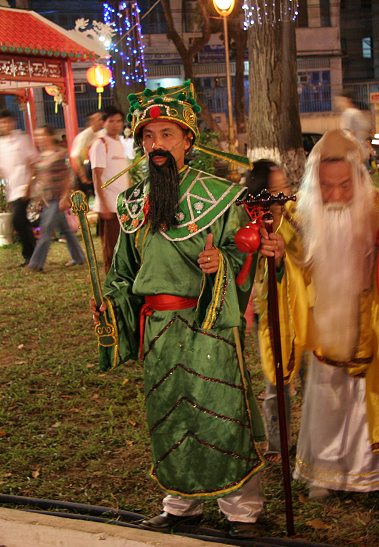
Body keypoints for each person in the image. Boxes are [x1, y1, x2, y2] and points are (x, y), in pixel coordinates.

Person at [90, 81, 263, 539]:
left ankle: (241, 511)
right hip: (160, 330)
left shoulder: (222, 196)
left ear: (189, 140)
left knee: (219, 412)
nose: (157, 145)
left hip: (207, 322)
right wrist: (111, 304)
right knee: (169, 416)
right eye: (148, 136)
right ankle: (180, 506)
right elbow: (123, 272)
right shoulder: (131, 203)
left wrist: (220, 261)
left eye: (167, 134)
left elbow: (244, 252)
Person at [258, 130, 379, 498]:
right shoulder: (297, 214)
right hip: (324, 324)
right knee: (328, 393)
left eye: (345, 186)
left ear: (360, 180)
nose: (335, 196)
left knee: (370, 396)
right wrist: (275, 253)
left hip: (370, 323)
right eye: (326, 186)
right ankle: (326, 471)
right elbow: (285, 260)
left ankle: (376, 474)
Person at [243, 160, 293, 465]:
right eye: (275, 190)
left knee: (309, 380)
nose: (284, 193)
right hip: (273, 316)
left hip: (304, 313)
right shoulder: (253, 229)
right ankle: (278, 441)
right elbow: (250, 275)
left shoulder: (298, 220)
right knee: (277, 382)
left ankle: (313, 441)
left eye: (285, 185)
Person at [24, 125, 85, 272]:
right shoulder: (41, 156)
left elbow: (66, 178)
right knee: (65, 230)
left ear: (50, 136)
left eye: (42, 135)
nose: (40, 139)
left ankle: (36, 263)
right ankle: (79, 257)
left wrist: (65, 197)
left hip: (56, 199)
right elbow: (36, 176)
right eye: (37, 136)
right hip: (45, 199)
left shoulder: (58, 155)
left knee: (45, 231)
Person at [0, 109, 38, 266]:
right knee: (22, 223)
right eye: (0, 123)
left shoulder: (22, 140)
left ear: (12, 122)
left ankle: (30, 254)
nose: (4, 125)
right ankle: (33, 255)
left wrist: (28, 186)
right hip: (12, 188)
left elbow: (32, 163)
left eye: (6, 121)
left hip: (23, 187)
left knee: (18, 221)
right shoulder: (0, 144)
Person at [89, 106, 130, 272]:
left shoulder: (120, 142)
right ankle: (111, 284)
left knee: (124, 248)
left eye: (119, 120)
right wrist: (103, 204)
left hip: (123, 205)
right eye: (111, 120)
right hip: (109, 206)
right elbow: (97, 176)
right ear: (103, 123)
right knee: (111, 249)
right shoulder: (101, 144)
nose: (115, 124)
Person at [70, 110, 105, 196]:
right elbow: (75, 156)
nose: (100, 122)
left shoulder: (102, 133)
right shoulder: (84, 136)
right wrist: (83, 176)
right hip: (87, 169)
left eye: (101, 119)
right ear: (91, 122)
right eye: (98, 120)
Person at [336, 90, 372, 164]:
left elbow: (349, 134)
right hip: (361, 151)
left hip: (354, 154)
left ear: (346, 100)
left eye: (339, 100)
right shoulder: (356, 112)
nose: (337, 103)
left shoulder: (348, 113)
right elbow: (367, 128)